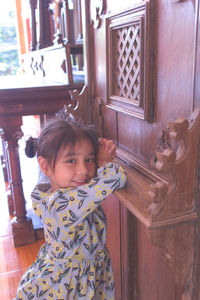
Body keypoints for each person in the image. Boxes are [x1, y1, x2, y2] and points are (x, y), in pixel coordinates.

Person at [15, 117, 127, 300]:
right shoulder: (62, 206)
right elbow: (117, 176)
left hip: (86, 277)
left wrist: (96, 160)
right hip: (67, 288)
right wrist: (104, 160)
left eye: (89, 159)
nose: (83, 170)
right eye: (71, 161)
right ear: (45, 166)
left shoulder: (66, 190)